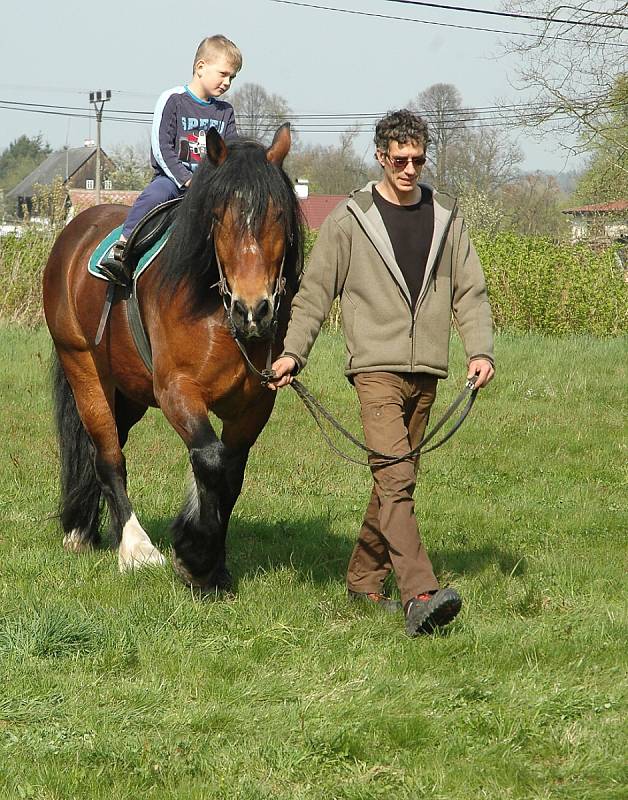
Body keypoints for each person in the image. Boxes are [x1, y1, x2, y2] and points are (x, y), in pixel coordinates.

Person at [269, 109, 495, 637]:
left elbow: (470, 290)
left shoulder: (446, 216)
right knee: (396, 479)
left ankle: (362, 580)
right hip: (374, 368)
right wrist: (292, 354)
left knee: (395, 478)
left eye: (418, 159)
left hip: (429, 370)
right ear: (380, 157)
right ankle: (421, 592)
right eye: (399, 159)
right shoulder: (351, 219)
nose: (410, 168)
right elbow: (315, 294)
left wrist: (479, 349)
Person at [100, 34, 242, 285]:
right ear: (200, 67)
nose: (227, 82)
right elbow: (161, 147)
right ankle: (122, 249)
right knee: (154, 195)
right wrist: (186, 180)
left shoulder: (225, 112)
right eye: (223, 74)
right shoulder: (173, 100)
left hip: (210, 189)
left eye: (232, 77)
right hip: (174, 182)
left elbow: (231, 155)